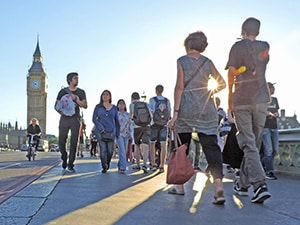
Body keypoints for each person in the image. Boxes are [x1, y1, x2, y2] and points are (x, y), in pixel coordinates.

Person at [168, 31, 226, 204]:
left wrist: (175, 113)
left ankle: (179, 187)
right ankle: (218, 186)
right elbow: (221, 83)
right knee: (211, 148)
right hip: (206, 109)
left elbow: (179, 87)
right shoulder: (208, 62)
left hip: (186, 109)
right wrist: (207, 93)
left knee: (182, 146)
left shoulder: (182, 61)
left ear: (188, 44)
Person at [226, 17, 271, 203]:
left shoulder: (236, 47)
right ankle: (242, 184)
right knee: (254, 143)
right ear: (258, 32)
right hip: (261, 99)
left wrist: (230, 100)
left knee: (249, 144)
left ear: (243, 30)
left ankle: (259, 185)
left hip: (242, 99)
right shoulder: (265, 46)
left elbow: (231, 73)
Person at [55, 72, 87, 173]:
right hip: (64, 118)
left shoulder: (81, 92)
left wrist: (76, 99)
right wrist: (62, 112)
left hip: (75, 119)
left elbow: (85, 105)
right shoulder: (62, 92)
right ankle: (64, 157)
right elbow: (56, 106)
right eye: (75, 78)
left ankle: (70, 164)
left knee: (74, 142)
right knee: (61, 141)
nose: (77, 80)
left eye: (77, 78)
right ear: (70, 80)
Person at [92, 90, 120, 173]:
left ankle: (107, 163)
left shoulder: (114, 108)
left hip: (111, 132)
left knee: (110, 151)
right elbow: (94, 119)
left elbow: (117, 121)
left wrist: (117, 132)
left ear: (110, 96)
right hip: (100, 132)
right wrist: (100, 128)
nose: (105, 96)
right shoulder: (98, 107)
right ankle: (104, 166)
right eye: (103, 94)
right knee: (103, 149)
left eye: (107, 94)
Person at [149, 85, 171, 173]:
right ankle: (162, 165)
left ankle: (153, 164)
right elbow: (169, 112)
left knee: (152, 143)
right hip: (164, 124)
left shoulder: (152, 100)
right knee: (163, 144)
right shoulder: (167, 100)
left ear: (156, 90)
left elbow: (151, 112)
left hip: (155, 124)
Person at [261, 82, 280, 180]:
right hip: (265, 127)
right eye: (272, 88)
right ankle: (268, 171)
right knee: (268, 150)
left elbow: (276, 110)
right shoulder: (262, 100)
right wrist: (270, 114)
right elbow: (262, 111)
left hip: (274, 127)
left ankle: (262, 166)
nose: (274, 90)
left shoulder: (275, 100)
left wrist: (276, 113)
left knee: (275, 149)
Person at [130, 92, 151, 172]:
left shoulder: (132, 105)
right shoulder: (146, 104)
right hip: (146, 126)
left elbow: (131, 116)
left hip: (137, 126)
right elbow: (150, 115)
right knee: (145, 145)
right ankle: (145, 164)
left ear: (132, 98)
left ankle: (138, 165)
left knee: (137, 145)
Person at [116, 99, 132, 174]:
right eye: (120, 103)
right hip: (119, 134)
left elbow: (130, 124)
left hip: (127, 134)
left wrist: (131, 134)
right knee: (122, 150)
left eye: (123, 103)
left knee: (124, 151)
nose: (121, 105)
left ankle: (120, 164)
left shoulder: (128, 114)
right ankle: (123, 167)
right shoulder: (116, 114)